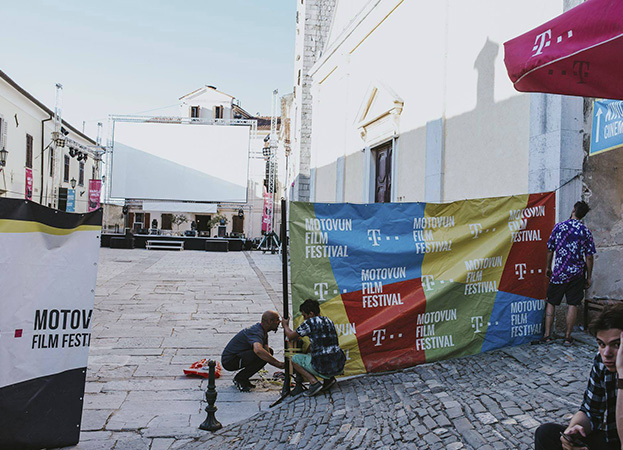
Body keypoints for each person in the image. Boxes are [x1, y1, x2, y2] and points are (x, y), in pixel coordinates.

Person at [534, 303, 623, 449]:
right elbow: (590, 411)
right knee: (546, 434)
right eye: (601, 344)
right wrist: (573, 431)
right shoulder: (602, 362)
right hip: (611, 439)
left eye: (616, 344)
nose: (607, 353)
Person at [539, 201, 596, 345]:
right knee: (573, 304)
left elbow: (550, 249)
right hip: (576, 274)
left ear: (573, 210)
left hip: (559, 273)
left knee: (551, 302)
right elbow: (589, 257)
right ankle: (567, 337)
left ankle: (547, 335)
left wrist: (548, 267)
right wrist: (589, 276)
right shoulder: (585, 231)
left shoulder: (559, 227)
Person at [282, 299, 346, 397]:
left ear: (311, 314)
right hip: (338, 365)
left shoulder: (310, 323)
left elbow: (291, 336)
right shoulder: (328, 320)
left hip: (323, 367)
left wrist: (285, 325)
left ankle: (314, 383)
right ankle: (329, 379)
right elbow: (319, 343)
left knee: (295, 359)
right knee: (322, 353)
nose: (304, 319)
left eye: (304, 316)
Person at [221, 310, 284, 392]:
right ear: (270, 321)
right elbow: (258, 350)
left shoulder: (263, 331)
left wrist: (281, 365)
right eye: (277, 319)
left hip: (239, 356)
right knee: (260, 355)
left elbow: (267, 352)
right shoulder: (256, 332)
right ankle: (240, 378)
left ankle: (243, 377)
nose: (279, 322)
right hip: (229, 360)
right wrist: (278, 364)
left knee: (267, 354)